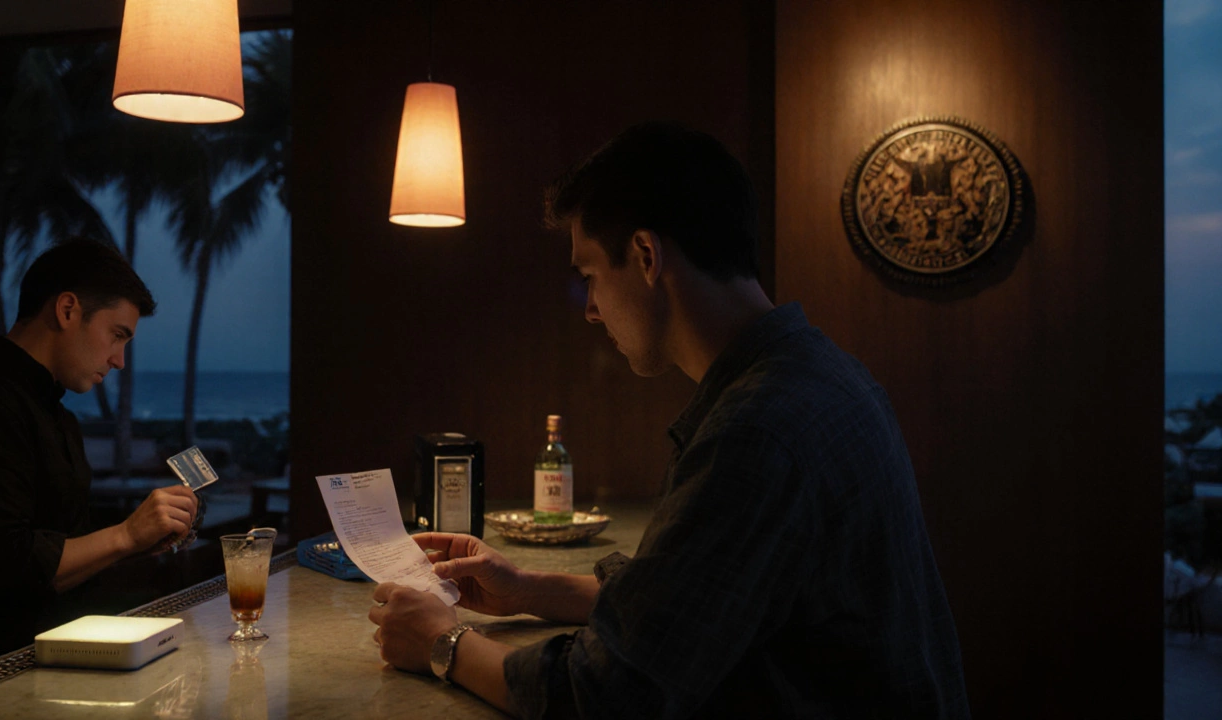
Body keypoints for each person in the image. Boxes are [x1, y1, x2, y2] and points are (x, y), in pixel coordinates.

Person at [368, 123, 970, 718]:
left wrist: (443, 644)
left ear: (647, 255)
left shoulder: (757, 429)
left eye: (590, 277)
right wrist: (528, 588)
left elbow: (608, 695)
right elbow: (699, 602)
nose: (593, 311)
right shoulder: (822, 373)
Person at [0, 239, 199, 675]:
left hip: (55, 662)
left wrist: (138, 542)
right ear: (67, 310)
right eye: (117, 335)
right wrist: (125, 537)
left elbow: (64, 552)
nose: (119, 360)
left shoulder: (59, 418)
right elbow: (6, 566)